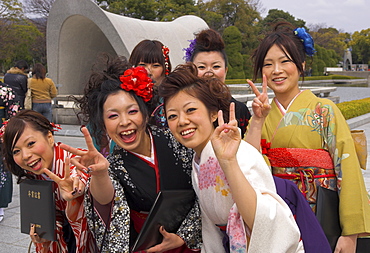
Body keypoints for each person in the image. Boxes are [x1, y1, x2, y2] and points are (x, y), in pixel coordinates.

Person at [245, 22, 370, 252]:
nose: (277, 70)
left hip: (321, 215)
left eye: (285, 61)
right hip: (279, 219)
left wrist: (350, 233)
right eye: (268, 64)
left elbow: (348, 167)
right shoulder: (259, 116)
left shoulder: (325, 110)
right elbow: (250, 169)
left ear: (301, 65)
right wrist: (258, 120)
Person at [159, 63, 303, 252]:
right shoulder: (199, 162)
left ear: (212, 113)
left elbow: (264, 219)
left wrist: (228, 162)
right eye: (172, 116)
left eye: (190, 110)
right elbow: (211, 230)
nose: (182, 121)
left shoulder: (238, 153)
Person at [67, 55, 201, 252]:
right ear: (103, 124)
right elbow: (106, 201)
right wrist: (100, 173)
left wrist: (183, 235)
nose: (124, 122)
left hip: (191, 243)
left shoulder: (176, 140)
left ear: (145, 114)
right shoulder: (112, 165)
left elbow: (205, 190)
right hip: (147, 246)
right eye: (113, 116)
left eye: (132, 111)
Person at [1, 110, 96, 252]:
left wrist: (77, 189)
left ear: (50, 137)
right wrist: (44, 236)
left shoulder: (76, 162)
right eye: (16, 151)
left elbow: (81, 176)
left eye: (31, 143)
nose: (26, 155)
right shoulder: (33, 175)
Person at [183, 28, 251, 138]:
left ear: (226, 70)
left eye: (216, 66)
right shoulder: (183, 109)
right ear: (191, 71)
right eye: (201, 67)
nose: (209, 72)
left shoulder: (239, 110)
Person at [129, 39, 172, 127]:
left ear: (165, 69)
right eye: (142, 65)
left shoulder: (173, 98)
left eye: (155, 66)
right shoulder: (126, 97)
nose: (148, 71)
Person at [0, 82, 21, 222]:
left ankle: (0, 206)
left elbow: (14, 115)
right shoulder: (7, 90)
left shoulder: (5, 90)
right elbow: (14, 114)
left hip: (1, 133)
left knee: (2, 168)